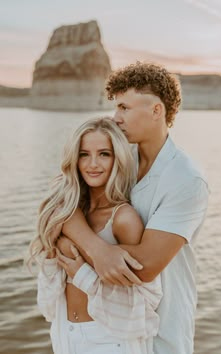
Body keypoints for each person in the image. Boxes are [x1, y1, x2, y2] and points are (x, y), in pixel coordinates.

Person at [55, 62, 209, 354]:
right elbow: (66, 202)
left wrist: (78, 251)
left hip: (162, 329)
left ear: (156, 111)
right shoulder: (120, 157)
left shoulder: (187, 179)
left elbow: (146, 265)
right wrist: (97, 249)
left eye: (124, 108)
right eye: (116, 108)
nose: (116, 118)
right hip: (113, 323)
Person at [27, 117, 163, 354]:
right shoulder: (69, 212)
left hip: (110, 340)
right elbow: (48, 302)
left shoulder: (123, 218)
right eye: (83, 154)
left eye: (104, 154)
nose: (93, 164)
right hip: (64, 334)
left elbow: (144, 304)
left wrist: (82, 275)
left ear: (117, 158)